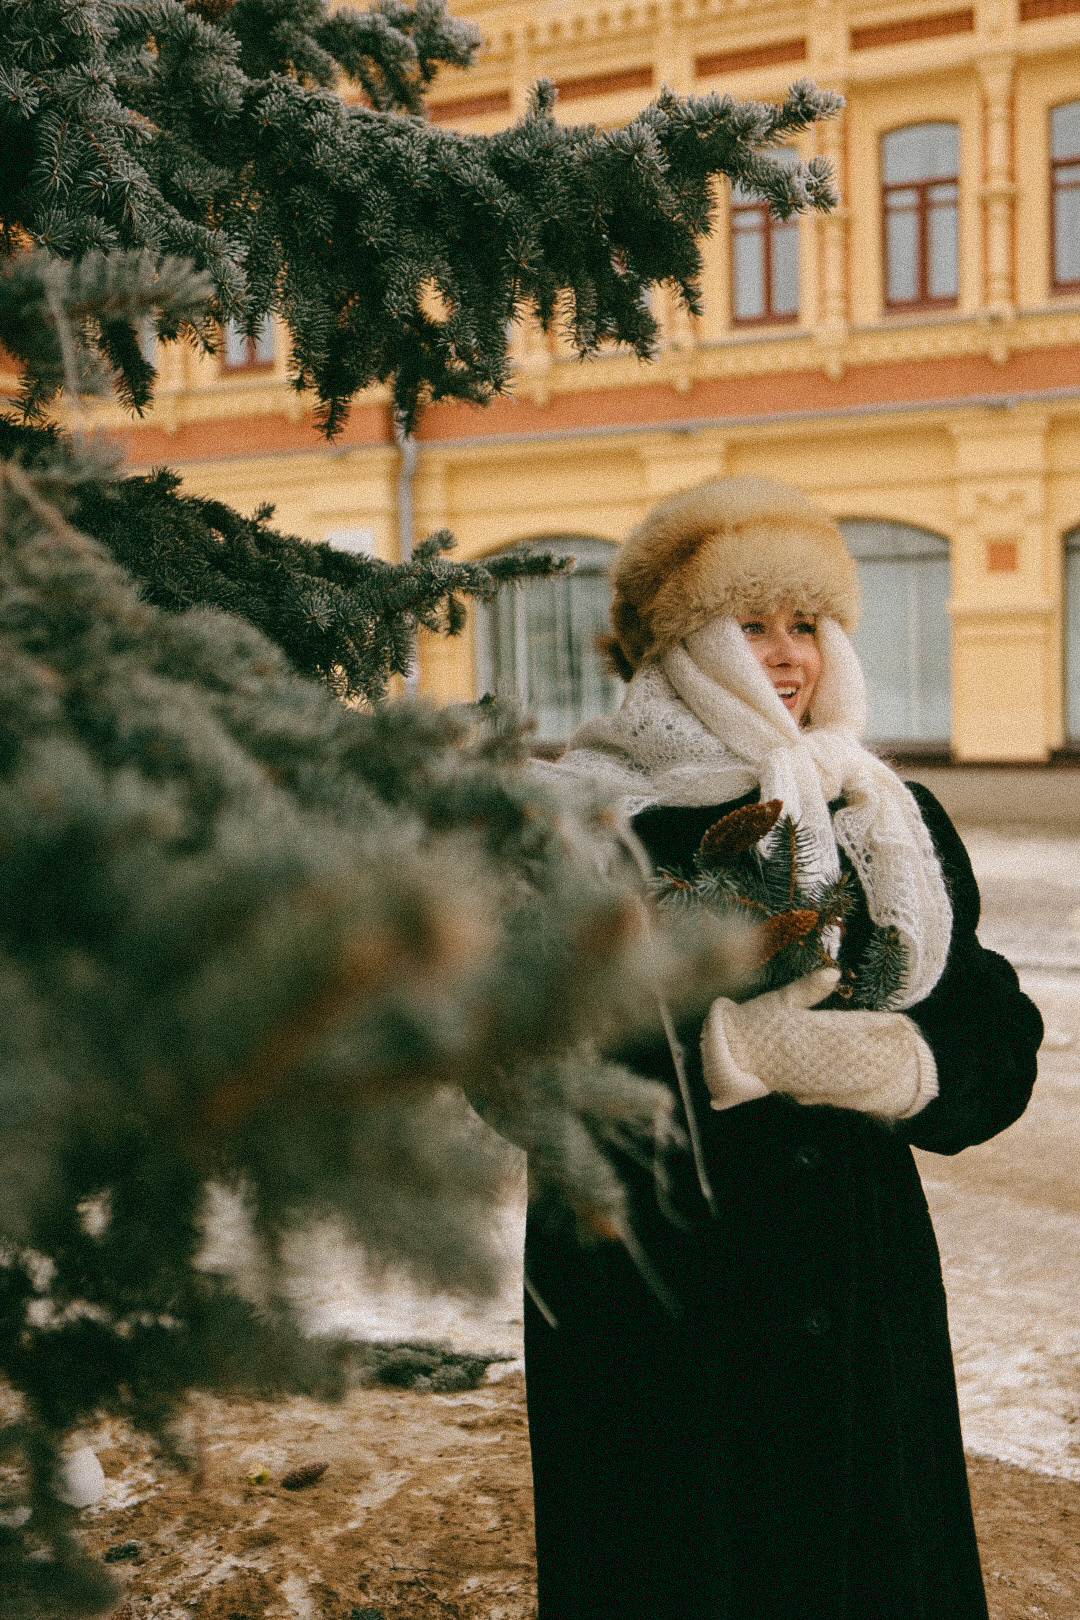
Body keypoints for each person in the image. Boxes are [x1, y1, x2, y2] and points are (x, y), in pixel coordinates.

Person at [524, 476, 1043, 1620]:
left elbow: (998, 1032)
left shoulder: (883, 815)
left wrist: (907, 1070)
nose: (788, 654)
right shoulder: (584, 824)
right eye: (750, 624)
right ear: (682, 644)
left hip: (858, 1289)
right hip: (656, 1293)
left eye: (805, 624)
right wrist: (721, 1054)